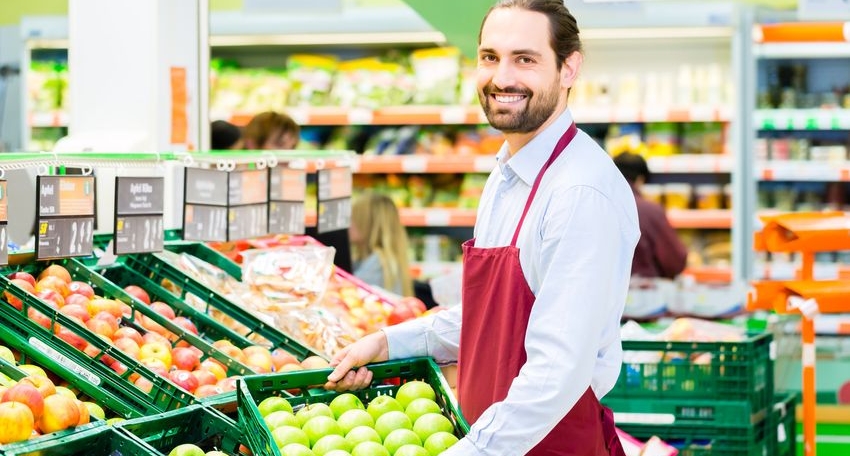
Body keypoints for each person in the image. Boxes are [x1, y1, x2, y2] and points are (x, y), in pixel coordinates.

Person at [326, 1, 639, 455]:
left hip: (549, 443)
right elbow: (491, 316)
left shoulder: (581, 193)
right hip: (494, 435)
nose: (502, 78)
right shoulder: (506, 174)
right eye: (490, 57)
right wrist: (389, 343)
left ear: (569, 69)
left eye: (525, 59)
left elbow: (557, 372)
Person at [613, 152, 688, 279]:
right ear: (640, 179)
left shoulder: (596, 206)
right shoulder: (650, 211)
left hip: (604, 293)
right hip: (644, 293)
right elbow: (674, 260)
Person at [349, 192, 413, 297]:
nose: (348, 224)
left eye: (353, 218)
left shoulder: (378, 262)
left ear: (367, 223)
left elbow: (349, 293)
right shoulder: (385, 258)